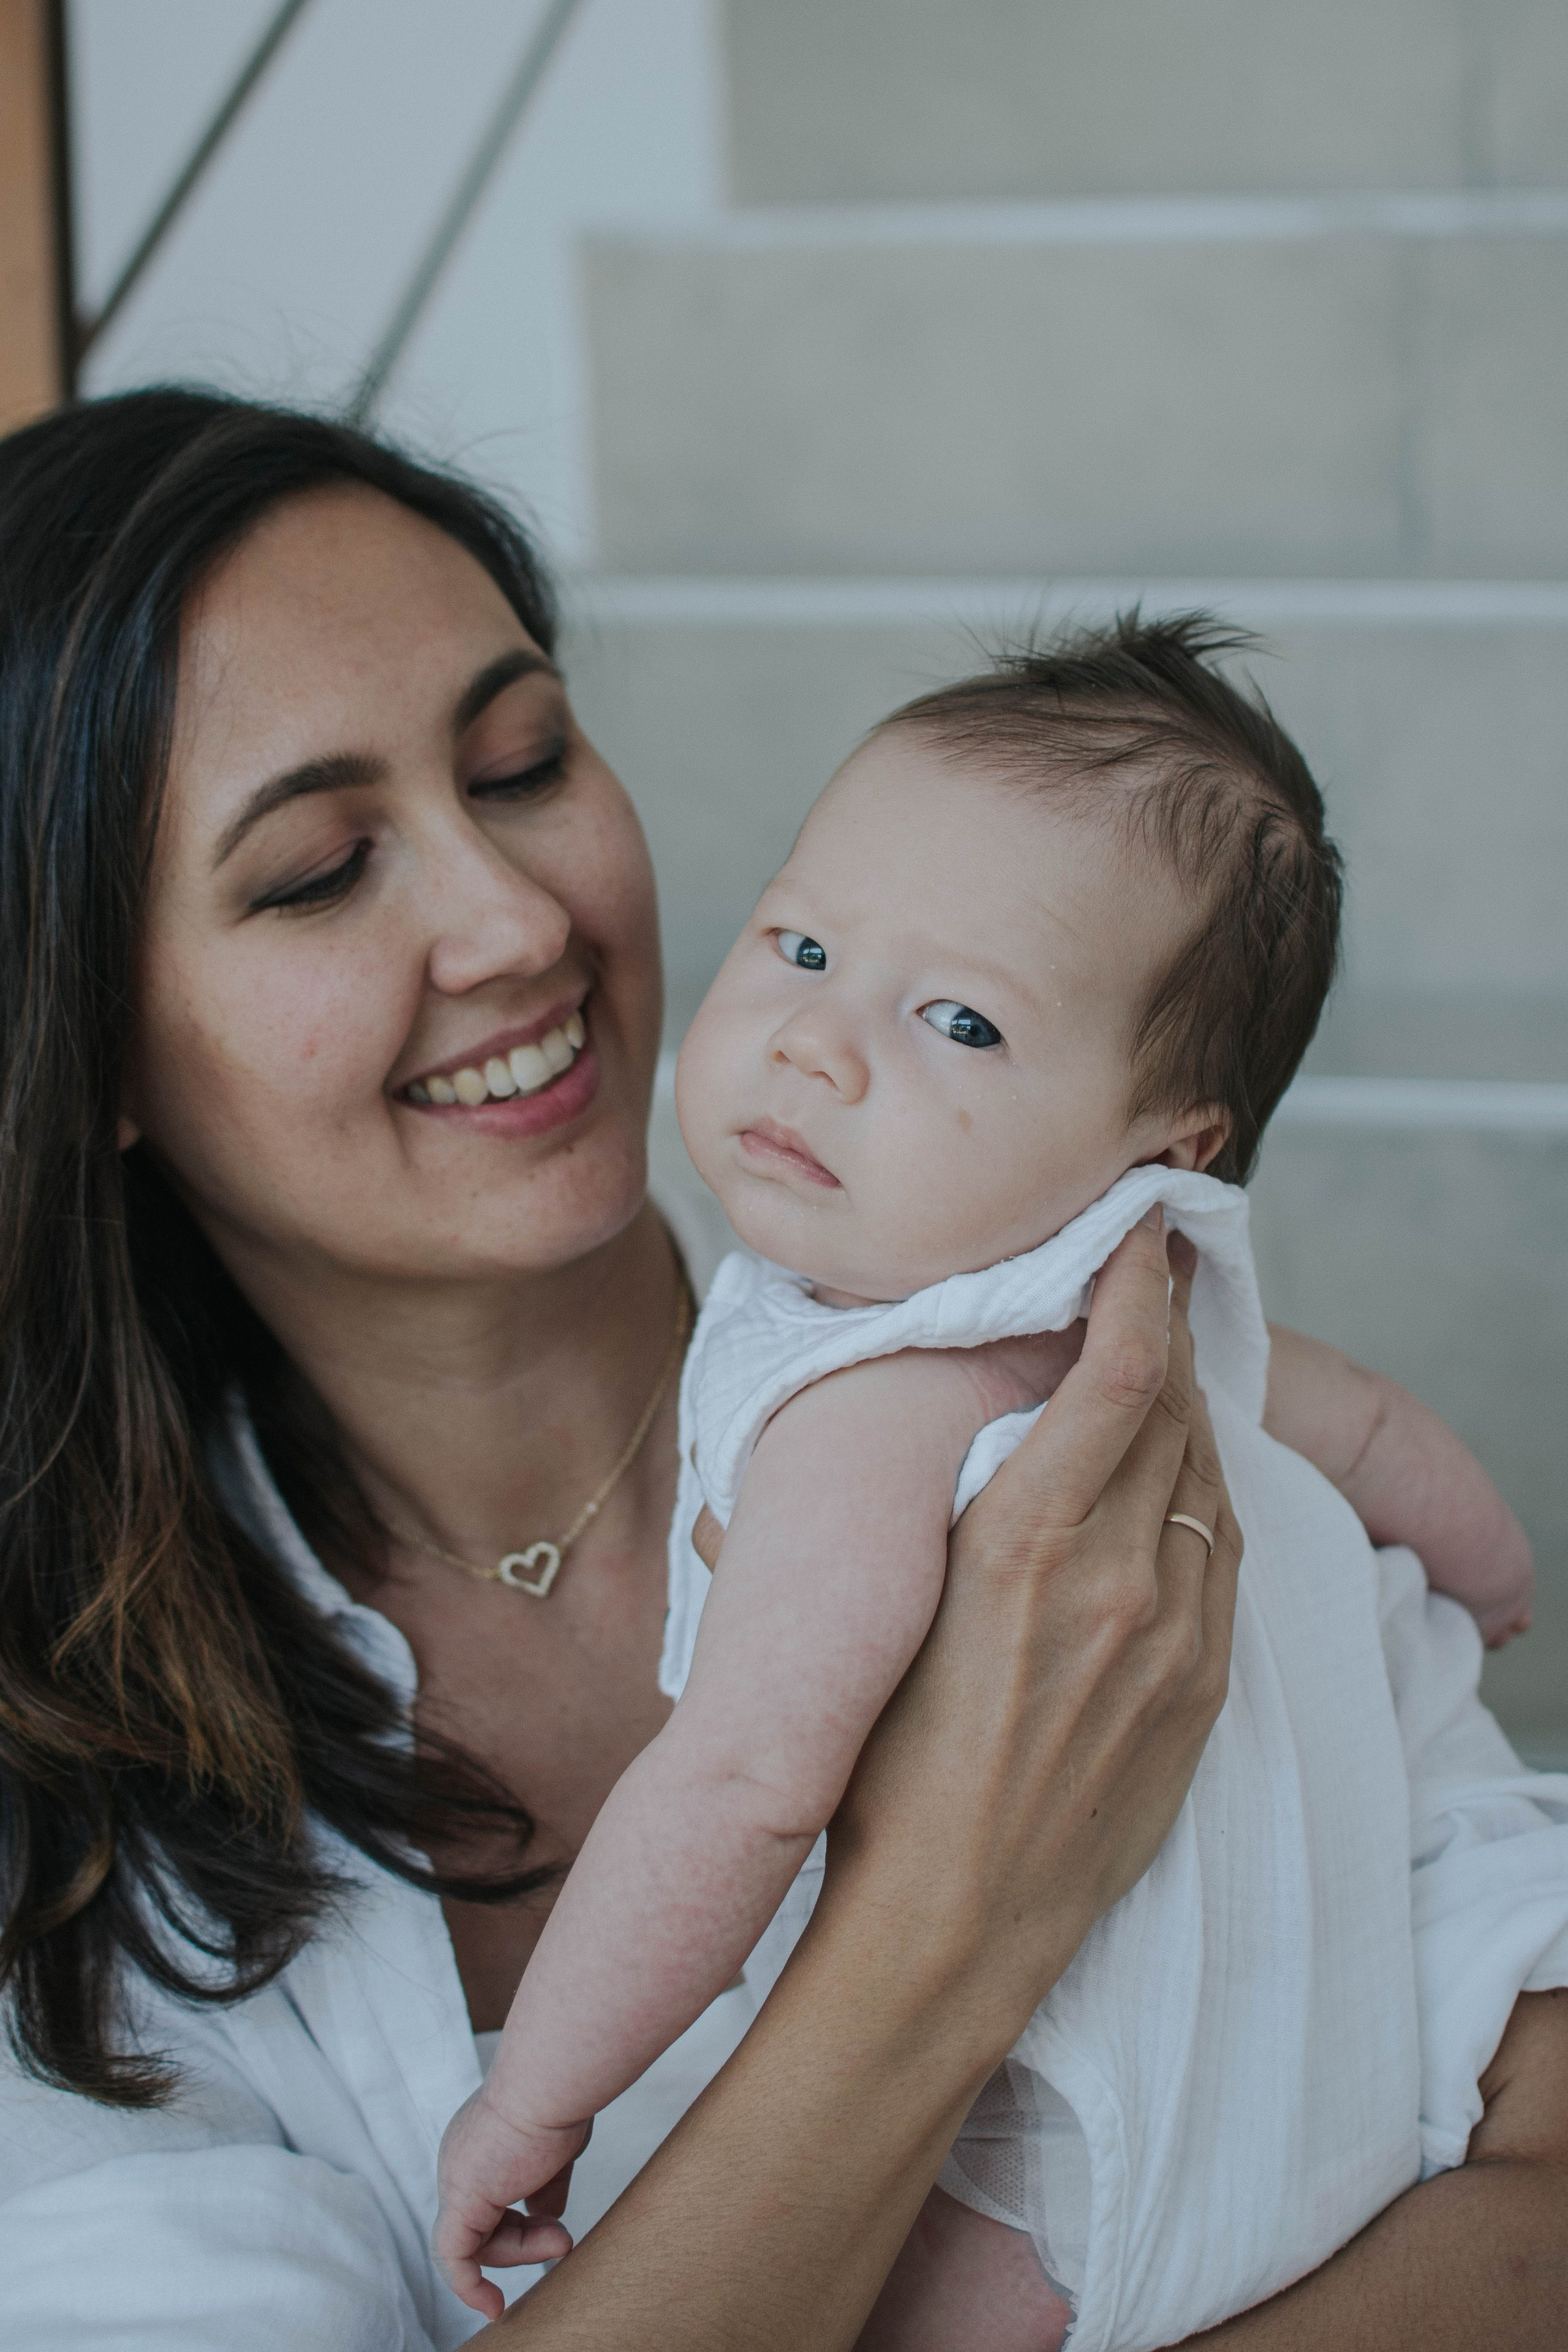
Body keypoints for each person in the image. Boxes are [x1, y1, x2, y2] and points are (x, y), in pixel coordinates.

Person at [0, 391, 1562, 2352]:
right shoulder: (61, 1835)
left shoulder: (1104, 1408)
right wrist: (945, 1922)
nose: (513, 918)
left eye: (525, 759)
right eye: (320, 869)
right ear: (85, 1043)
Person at [432, 620, 1541, 2350]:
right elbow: (1380, 1434)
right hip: (1328, 2104)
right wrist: (1484, 1589)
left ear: (1167, 1152)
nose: (817, 1044)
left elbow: (738, 1785)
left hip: (1049, 2166)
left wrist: (541, 2102)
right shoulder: (1159, 1330)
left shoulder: (870, 1403)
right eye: (801, 942)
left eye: (959, 1020)